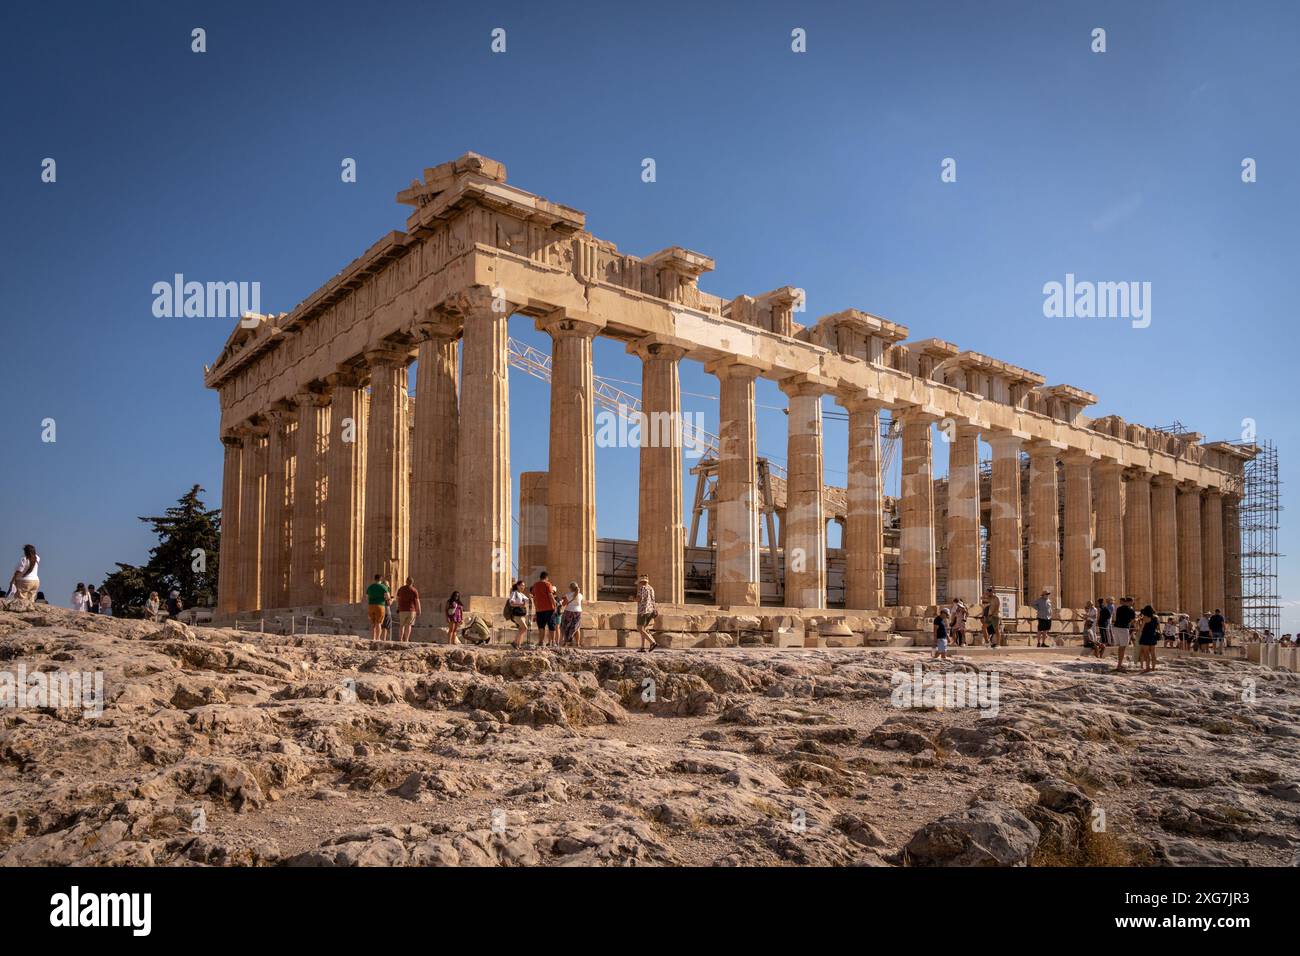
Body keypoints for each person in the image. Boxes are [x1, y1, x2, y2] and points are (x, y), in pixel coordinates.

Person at [531, 571, 559, 648]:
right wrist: (555, 605)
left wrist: (536, 609)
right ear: (546, 577)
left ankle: (541, 642)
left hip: (539, 609)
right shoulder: (547, 584)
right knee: (551, 626)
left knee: (541, 626)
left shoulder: (535, 585)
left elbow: (534, 597)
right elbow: (550, 595)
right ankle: (553, 642)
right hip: (549, 608)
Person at [1111, 596, 1136, 671]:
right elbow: (1132, 621)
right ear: (1129, 602)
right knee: (1123, 647)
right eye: (1132, 601)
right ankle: (1119, 666)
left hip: (1116, 628)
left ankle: (1119, 664)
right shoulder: (1131, 610)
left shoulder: (1118, 608)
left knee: (1120, 647)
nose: (1133, 603)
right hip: (1123, 629)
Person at [635, 574, 658, 652]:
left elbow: (639, 599)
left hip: (643, 610)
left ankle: (652, 642)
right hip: (650, 610)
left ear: (641, 581)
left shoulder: (642, 588)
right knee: (643, 629)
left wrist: (632, 598)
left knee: (640, 628)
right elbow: (653, 600)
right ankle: (642, 647)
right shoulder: (651, 588)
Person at [364, 573, 390, 641]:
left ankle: (373, 638)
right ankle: (378, 638)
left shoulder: (370, 587)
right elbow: (387, 597)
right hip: (380, 605)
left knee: (373, 623)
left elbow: (366, 597)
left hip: (371, 605)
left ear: (374, 579)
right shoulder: (383, 587)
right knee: (379, 623)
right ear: (380, 579)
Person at [505, 580, 530, 648]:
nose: (523, 587)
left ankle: (518, 644)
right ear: (517, 586)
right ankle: (514, 642)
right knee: (524, 628)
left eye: (524, 585)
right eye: (522, 585)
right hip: (516, 614)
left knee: (521, 629)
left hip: (522, 614)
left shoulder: (521, 594)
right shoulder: (514, 593)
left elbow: (527, 600)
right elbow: (511, 603)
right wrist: (520, 604)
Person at [559, 581, 584, 647]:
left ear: (570, 588)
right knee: (576, 628)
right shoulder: (580, 595)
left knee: (565, 627)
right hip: (578, 612)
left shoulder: (568, 595)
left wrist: (562, 601)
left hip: (568, 611)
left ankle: (565, 642)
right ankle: (578, 643)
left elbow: (564, 604)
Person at [395, 577, 421, 643]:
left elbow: (397, 599)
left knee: (402, 625)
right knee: (408, 625)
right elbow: (417, 601)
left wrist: (398, 607)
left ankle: (400, 639)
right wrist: (419, 610)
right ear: (412, 582)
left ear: (406, 581)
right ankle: (406, 639)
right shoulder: (414, 590)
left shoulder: (401, 589)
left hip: (402, 609)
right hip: (411, 610)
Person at [1137, 604, 1160, 672]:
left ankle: (1148, 668)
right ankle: (1153, 667)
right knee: (1153, 653)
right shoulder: (1156, 618)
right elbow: (1158, 628)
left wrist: (1138, 633)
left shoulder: (1145, 618)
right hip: (1153, 636)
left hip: (1145, 636)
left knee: (1146, 653)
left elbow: (1141, 628)